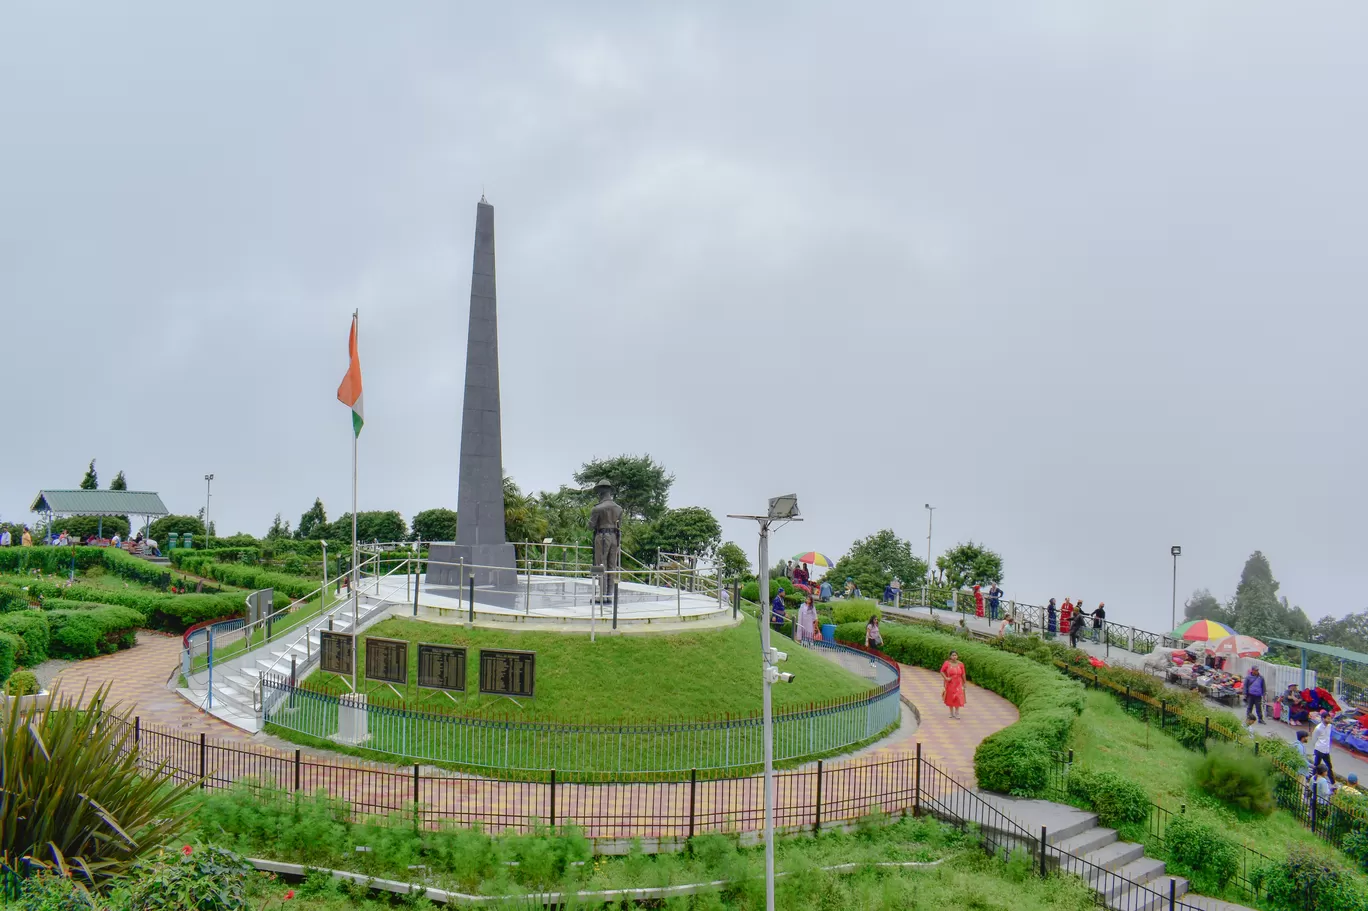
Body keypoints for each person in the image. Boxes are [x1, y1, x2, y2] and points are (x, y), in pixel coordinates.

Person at [941, 650, 967, 719]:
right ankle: (951, 712)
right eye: (953, 655)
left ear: (957, 656)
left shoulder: (961, 664)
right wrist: (946, 678)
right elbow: (942, 671)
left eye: (955, 655)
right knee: (950, 697)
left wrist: (964, 682)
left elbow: (963, 674)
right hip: (950, 683)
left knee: (958, 697)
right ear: (950, 656)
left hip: (959, 683)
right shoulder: (947, 663)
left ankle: (957, 712)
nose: (954, 657)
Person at [1311, 711, 1335, 779]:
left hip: (1326, 750)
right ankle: (1313, 779)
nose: (1329, 720)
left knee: (1329, 767)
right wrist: (1317, 747)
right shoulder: (1318, 728)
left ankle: (1333, 782)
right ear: (1323, 719)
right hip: (1319, 749)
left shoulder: (1330, 726)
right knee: (1316, 766)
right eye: (1327, 719)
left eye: (1329, 718)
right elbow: (1314, 739)